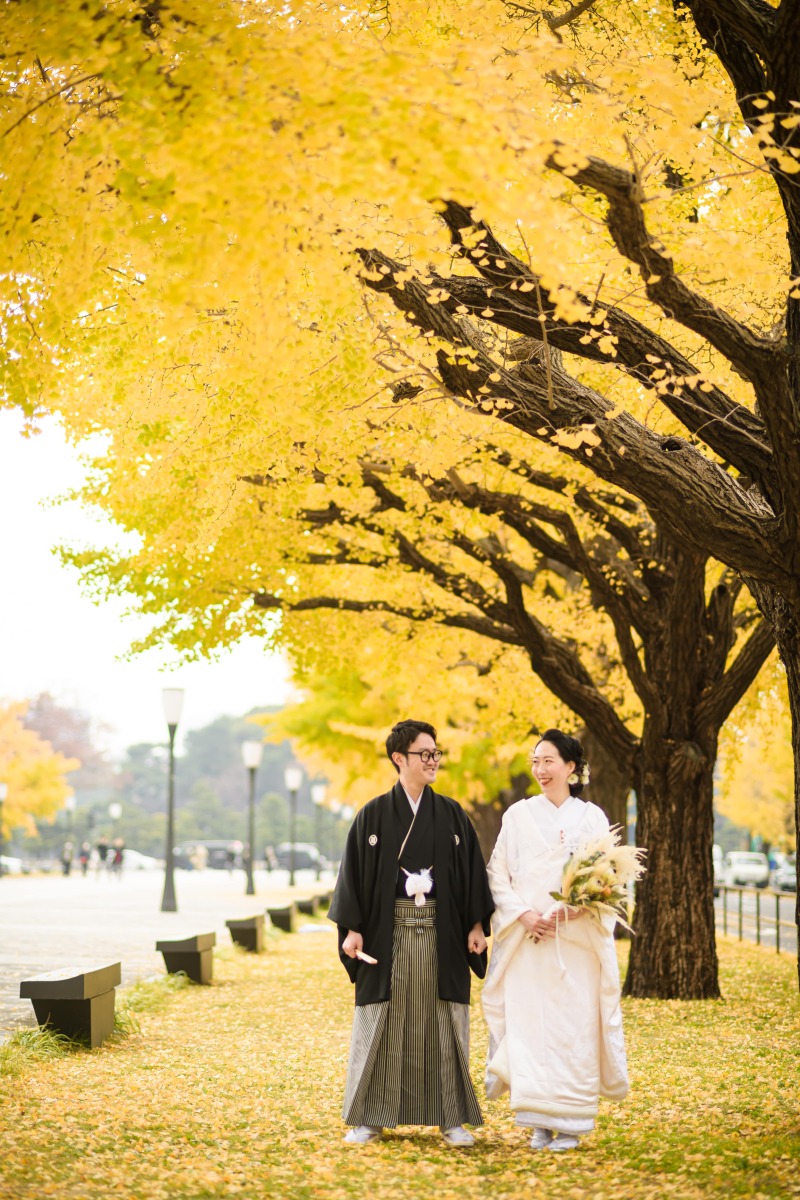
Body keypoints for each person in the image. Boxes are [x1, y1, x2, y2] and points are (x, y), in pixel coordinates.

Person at [329, 719, 494, 1148]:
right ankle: (369, 1117)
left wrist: (476, 924)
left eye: (436, 753)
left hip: (442, 938)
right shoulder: (374, 814)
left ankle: (451, 1118)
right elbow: (354, 877)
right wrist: (351, 930)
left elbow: (471, 873)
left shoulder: (453, 814)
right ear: (399, 759)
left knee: (444, 1024)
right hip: (388, 936)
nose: (433, 760)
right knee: (381, 1024)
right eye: (425, 754)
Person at [482, 729, 629, 1153]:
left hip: (576, 942)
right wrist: (525, 914)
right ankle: (537, 1122)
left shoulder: (592, 817)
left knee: (572, 1029)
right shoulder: (517, 816)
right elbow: (497, 873)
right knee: (530, 1028)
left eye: (549, 761)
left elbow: (609, 876)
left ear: (570, 767)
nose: (540, 770)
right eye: (535, 761)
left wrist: (579, 907)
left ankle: (571, 1121)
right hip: (530, 941)